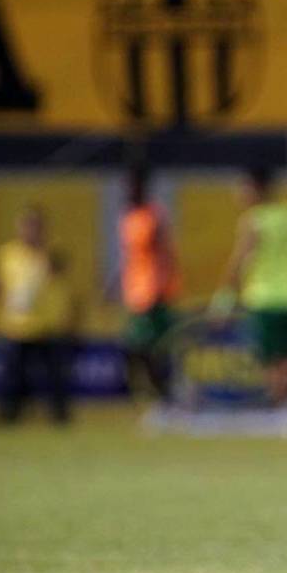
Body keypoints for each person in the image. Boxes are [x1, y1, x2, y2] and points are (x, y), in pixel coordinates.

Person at [213, 168, 287, 406]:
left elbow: (239, 261)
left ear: (257, 188)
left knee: (272, 360)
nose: (239, 194)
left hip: (265, 298)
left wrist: (223, 301)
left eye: (243, 188)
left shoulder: (254, 220)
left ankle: (284, 406)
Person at [0, 205, 72, 424]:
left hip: (46, 327)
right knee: (13, 380)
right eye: (27, 226)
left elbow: (60, 272)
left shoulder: (50, 253)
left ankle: (61, 421)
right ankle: (8, 420)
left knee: (55, 380)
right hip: (16, 327)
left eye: (35, 226)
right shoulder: (7, 254)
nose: (30, 231)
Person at [119, 167, 180, 401]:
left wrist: (161, 285)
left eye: (133, 184)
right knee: (137, 348)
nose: (129, 190)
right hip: (135, 293)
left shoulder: (153, 216)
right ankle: (156, 393)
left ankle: (163, 395)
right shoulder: (128, 217)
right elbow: (130, 257)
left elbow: (165, 254)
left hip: (153, 292)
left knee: (148, 347)